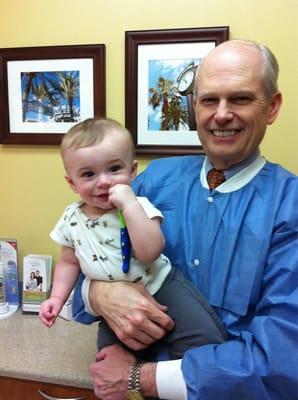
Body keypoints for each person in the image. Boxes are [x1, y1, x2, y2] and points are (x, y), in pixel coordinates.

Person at [73, 40, 298, 400]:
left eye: (240, 98)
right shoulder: (150, 181)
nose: (221, 114)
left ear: (272, 107)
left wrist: (139, 377)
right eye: (209, 100)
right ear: (194, 106)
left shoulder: (290, 206)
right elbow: (86, 253)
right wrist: (99, 293)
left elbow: (283, 360)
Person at [39, 117, 227, 358]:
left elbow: (151, 251)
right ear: (72, 182)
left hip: (161, 285)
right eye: (88, 174)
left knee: (204, 340)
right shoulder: (70, 218)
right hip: (113, 307)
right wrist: (56, 297)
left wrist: (129, 206)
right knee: (109, 358)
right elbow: (69, 262)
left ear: (133, 171)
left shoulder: (139, 206)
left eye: (114, 169)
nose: (104, 181)